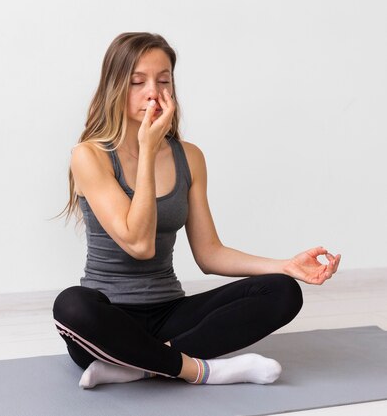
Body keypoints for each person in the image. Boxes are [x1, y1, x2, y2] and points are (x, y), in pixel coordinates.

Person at [53, 32, 342, 389]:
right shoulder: (90, 155)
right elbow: (139, 244)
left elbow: (209, 254)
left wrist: (284, 265)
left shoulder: (188, 157)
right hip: (108, 321)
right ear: (115, 87)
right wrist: (146, 151)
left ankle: (141, 365)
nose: (153, 93)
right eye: (138, 82)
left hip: (171, 314)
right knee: (70, 306)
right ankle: (201, 370)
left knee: (283, 291)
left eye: (163, 81)